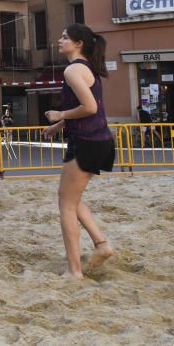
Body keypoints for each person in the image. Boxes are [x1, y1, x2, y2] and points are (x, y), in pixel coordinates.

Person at [43, 24, 116, 280]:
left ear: (78, 44)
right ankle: (101, 245)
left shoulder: (73, 69)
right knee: (72, 199)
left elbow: (90, 107)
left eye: (65, 37)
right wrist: (59, 125)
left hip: (86, 141)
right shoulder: (86, 68)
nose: (59, 40)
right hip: (98, 140)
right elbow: (86, 107)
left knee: (65, 204)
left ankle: (75, 271)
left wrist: (60, 114)